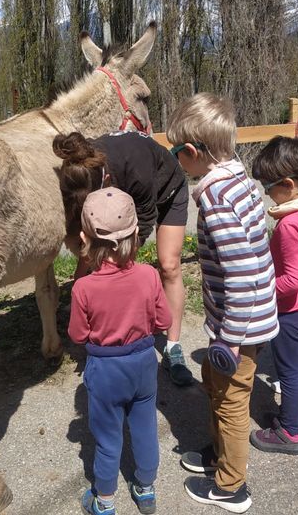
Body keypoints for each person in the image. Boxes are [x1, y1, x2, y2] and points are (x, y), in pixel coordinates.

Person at [167, 93, 278, 513]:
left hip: (240, 325)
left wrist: (230, 338)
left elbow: (243, 274)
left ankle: (232, 487)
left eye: (178, 153)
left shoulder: (215, 201)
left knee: (232, 402)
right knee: (213, 383)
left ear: (193, 153)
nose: (177, 160)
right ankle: (218, 458)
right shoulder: (237, 178)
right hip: (238, 321)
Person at [53, 130, 194, 387]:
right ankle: (100, 339)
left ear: (105, 179)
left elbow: (146, 216)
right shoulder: (78, 165)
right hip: (116, 205)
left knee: (168, 265)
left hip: (164, 193)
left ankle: (173, 348)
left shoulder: (133, 167)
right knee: (89, 263)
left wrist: (121, 266)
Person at [69, 187, 173, 515]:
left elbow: (78, 334)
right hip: (143, 363)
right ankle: (145, 489)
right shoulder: (149, 275)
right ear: (137, 234)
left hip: (105, 369)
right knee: (144, 428)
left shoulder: (83, 287)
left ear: (84, 238)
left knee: (108, 438)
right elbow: (164, 320)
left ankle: (104, 500)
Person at [248, 136, 298, 456]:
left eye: (268, 186)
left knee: (290, 371)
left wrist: (262, 291)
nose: (266, 192)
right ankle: (294, 418)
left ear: (290, 184)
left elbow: (293, 279)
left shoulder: (290, 225)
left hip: (293, 311)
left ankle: (291, 433)